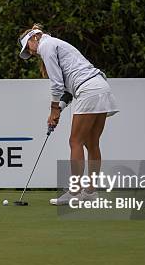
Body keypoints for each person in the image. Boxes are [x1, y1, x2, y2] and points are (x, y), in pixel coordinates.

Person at [18, 24, 119, 205]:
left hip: (88, 90)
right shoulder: (56, 44)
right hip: (101, 87)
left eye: (28, 49)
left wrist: (53, 110)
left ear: (34, 38)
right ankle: (90, 192)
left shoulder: (46, 46)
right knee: (91, 142)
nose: (31, 53)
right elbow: (67, 91)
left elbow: (56, 84)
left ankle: (75, 193)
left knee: (75, 141)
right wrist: (60, 108)